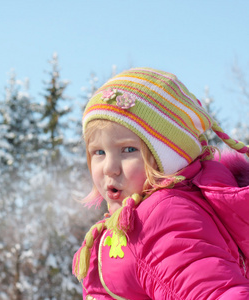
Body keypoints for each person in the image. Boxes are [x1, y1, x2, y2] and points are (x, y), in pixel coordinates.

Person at [72, 67, 249, 299]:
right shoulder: (140, 215)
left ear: (167, 157)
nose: (109, 168)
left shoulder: (161, 218)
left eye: (128, 150)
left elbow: (215, 292)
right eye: (99, 152)